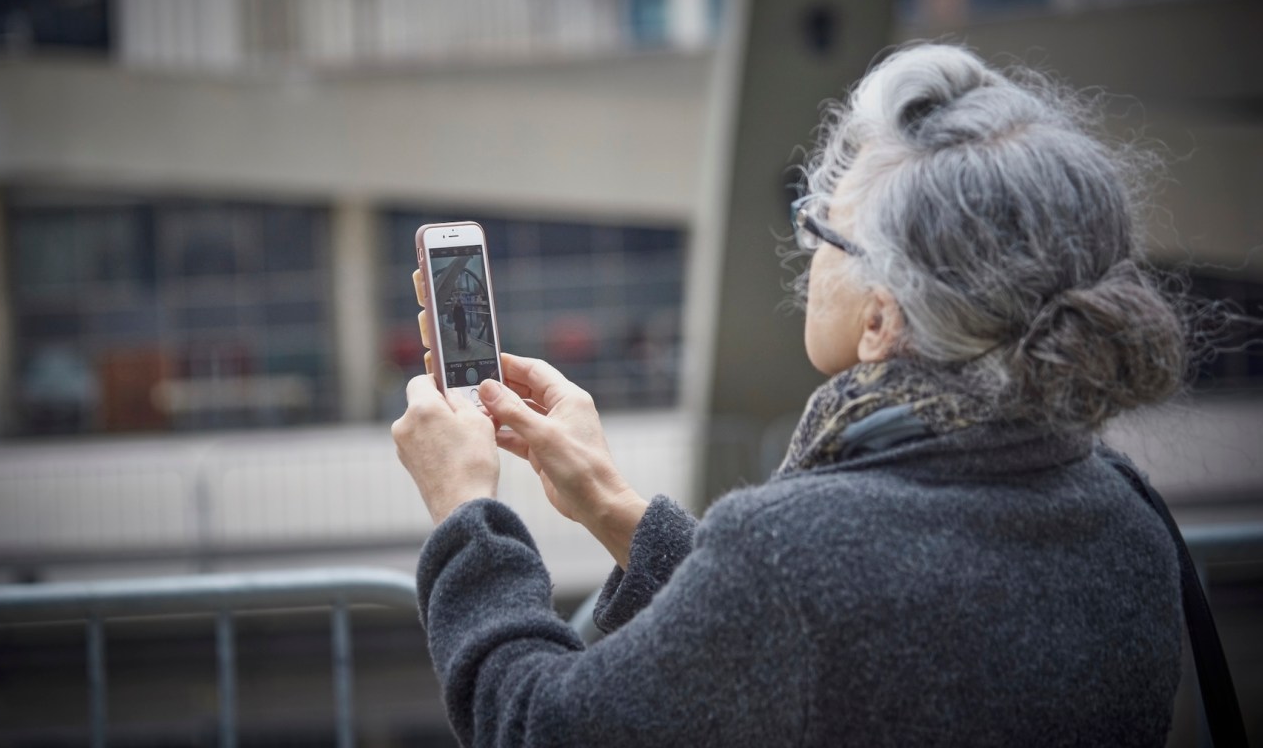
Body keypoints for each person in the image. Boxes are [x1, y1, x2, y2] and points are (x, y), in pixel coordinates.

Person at [392, 43, 1187, 746]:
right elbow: (822, 646)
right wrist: (606, 501)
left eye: (823, 231)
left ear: (881, 319)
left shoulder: (786, 553)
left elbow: (537, 724)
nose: (806, 252)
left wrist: (466, 518)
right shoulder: (1127, 513)